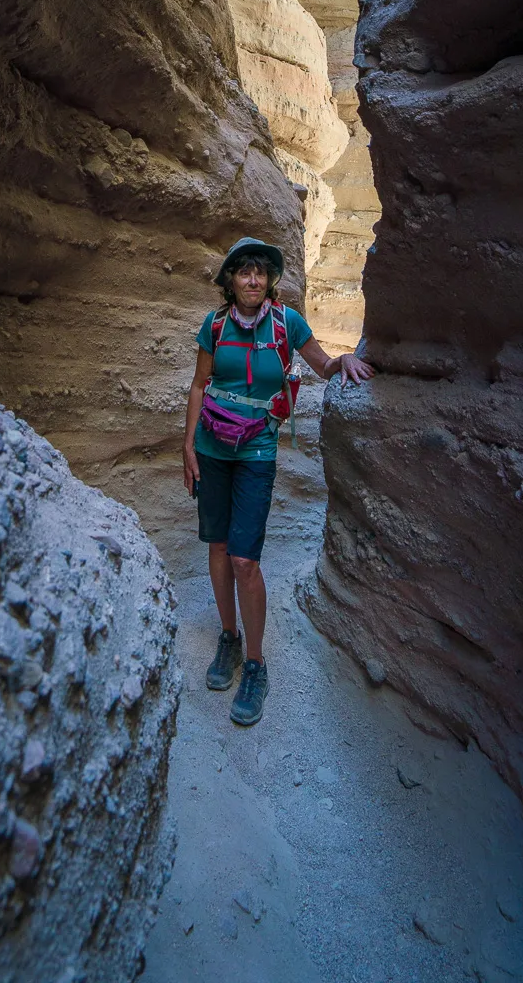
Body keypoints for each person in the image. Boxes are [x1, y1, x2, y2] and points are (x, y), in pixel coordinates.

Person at [182, 236, 373, 726]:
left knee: (245, 558)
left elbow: (322, 363)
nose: (252, 280)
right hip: (211, 446)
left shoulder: (286, 322)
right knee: (219, 546)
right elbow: (200, 385)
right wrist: (187, 446)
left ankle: (255, 663)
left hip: (256, 450)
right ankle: (229, 637)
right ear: (231, 280)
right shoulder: (216, 324)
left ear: (269, 281)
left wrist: (345, 360)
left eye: (260, 273)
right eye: (244, 272)